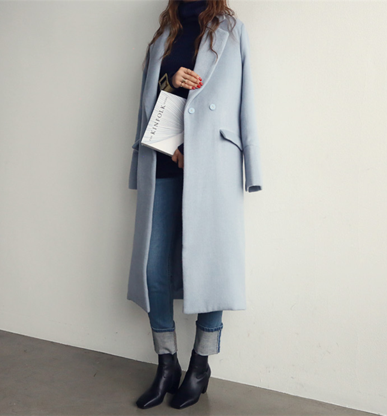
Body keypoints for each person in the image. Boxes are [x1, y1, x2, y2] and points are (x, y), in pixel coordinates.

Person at [127, 0, 263, 410]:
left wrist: (253, 167)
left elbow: (245, 100)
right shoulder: (163, 36)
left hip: (212, 163)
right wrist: (170, 82)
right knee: (153, 268)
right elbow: (147, 103)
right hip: (164, 159)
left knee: (212, 264)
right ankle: (166, 364)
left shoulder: (232, 31)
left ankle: (200, 365)